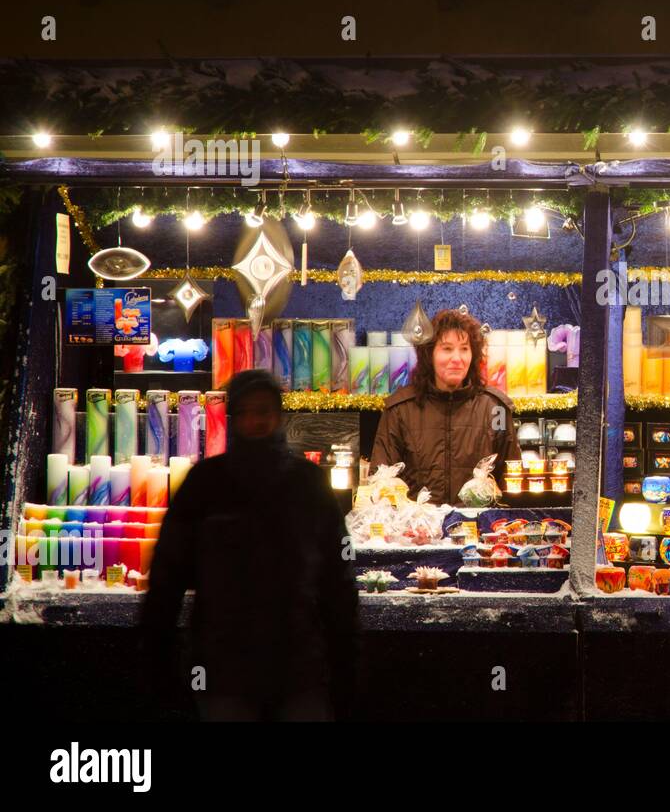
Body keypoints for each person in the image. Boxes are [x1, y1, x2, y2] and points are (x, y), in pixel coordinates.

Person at [140, 369, 359, 721]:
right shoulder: (207, 482)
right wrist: (158, 654)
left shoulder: (308, 482)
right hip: (226, 666)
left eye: (265, 411)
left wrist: (345, 658)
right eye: (247, 412)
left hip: (298, 664)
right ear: (234, 417)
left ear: (279, 416)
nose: (256, 421)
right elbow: (168, 572)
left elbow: (339, 577)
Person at [370, 308, 521, 504]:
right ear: (429, 354)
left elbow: (512, 479)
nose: (457, 359)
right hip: (416, 530)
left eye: (464, 349)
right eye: (447, 349)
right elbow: (380, 481)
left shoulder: (496, 408)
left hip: (479, 528)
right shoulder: (400, 410)